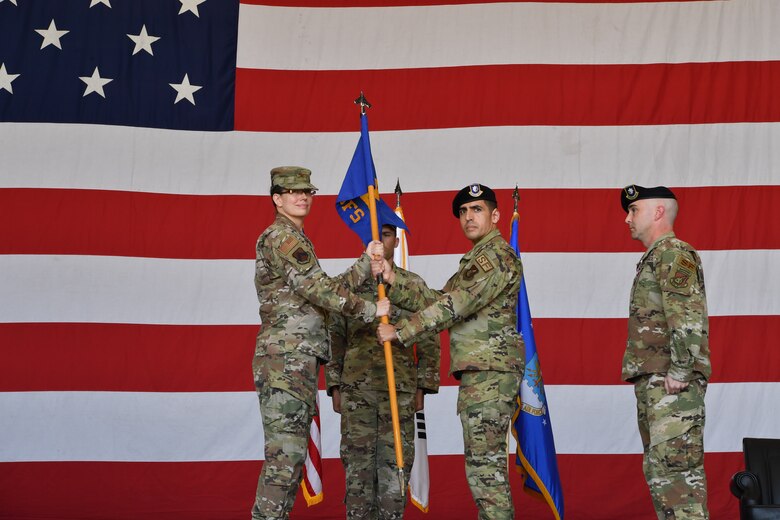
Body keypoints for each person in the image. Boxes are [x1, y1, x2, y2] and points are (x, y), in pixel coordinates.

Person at [376, 184, 524, 520]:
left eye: (477, 210)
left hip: (490, 373)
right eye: (463, 212)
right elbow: (436, 301)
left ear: (495, 215)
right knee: (483, 470)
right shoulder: (476, 260)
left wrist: (400, 332)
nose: (469, 217)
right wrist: (392, 278)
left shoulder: (495, 257)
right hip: (482, 373)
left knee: (486, 474)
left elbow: (454, 305)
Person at [252, 166, 390, 520]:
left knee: (291, 457)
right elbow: (320, 290)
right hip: (286, 359)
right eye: (293, 191)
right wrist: (371, 310)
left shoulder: (295, 239)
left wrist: (366, 262)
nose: (302, 196)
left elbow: (321, 289)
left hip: (295, 360)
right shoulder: (282, 237)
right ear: (276, 198)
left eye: (307, 191)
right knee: (285, 459)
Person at [326, 224, 441, 519]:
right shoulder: (349, 284)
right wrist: (335, 385)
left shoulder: (412, 285)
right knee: (358, 476)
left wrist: (422, 387)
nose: (380, 240)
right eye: (374, 235)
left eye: (387, 233)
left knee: (395, 476)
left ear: (396, 240)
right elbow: (334, 335)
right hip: (357, 392)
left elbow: (430, 334)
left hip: (398, 392)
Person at [621, 185, 711, 520]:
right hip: (656, 382)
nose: (627, 218)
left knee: (678, 485)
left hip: (671, 385)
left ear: (659, 211)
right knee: (664, 479)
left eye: (634, 210)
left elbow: (686, 314)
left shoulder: (673, 253)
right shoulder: (658, 256)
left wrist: (681, 370)